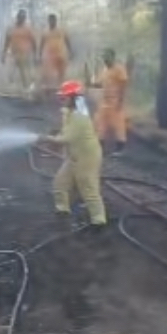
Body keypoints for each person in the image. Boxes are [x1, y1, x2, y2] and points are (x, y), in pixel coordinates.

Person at [37, 80, 107, 232]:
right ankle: (62, 209)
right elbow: (65, 131)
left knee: (88, 188)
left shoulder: (79, 117)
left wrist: (46, 138)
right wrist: (54, 134)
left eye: (64, 97)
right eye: (61, 97)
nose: (61, 99)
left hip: (87, 157)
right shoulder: (69, 112)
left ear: (74, 98)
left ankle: (99, 220)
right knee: (60, 183)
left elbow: (66, 138)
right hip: (74, 155)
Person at [91, 48, 129, 156]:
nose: (105, 59)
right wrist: (92, 83)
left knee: (118, 125)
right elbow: (99, 83)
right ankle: (101, 147)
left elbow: (123, 86)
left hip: (115, 101)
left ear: (113, 57)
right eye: (104, 57)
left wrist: (120, 101)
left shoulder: (119, 69)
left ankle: (120, 148)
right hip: (104, 101)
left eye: (107, 56)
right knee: (101, 123)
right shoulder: (104, 70)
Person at [1, 9, 36, 95]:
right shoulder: (11, 28)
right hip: (14, 54)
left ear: (25, 18)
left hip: (25, 54)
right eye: (20, 17)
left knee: (24, 73)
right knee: (10, 73)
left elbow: (33, 42)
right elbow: (7, 41)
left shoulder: (28, 29)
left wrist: (35, 54)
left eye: (23, 17)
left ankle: (26, 89)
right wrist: (3, 54)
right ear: (17, 17)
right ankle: (12, 89)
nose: (21, 19)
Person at [39, 13, 73, 90]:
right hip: (50, 56)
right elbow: (42, 44)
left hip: (61, 54)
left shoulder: (62, 30)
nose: (52, 22)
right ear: (48, 21)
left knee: (62, 73)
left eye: (53, 20)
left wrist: (70, 52)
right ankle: (52, 88)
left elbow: (67, 41)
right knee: (50, 74)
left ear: (56, 21)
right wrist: (40, 54)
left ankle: (62, 87)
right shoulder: (45, 32)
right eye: (50, 20)